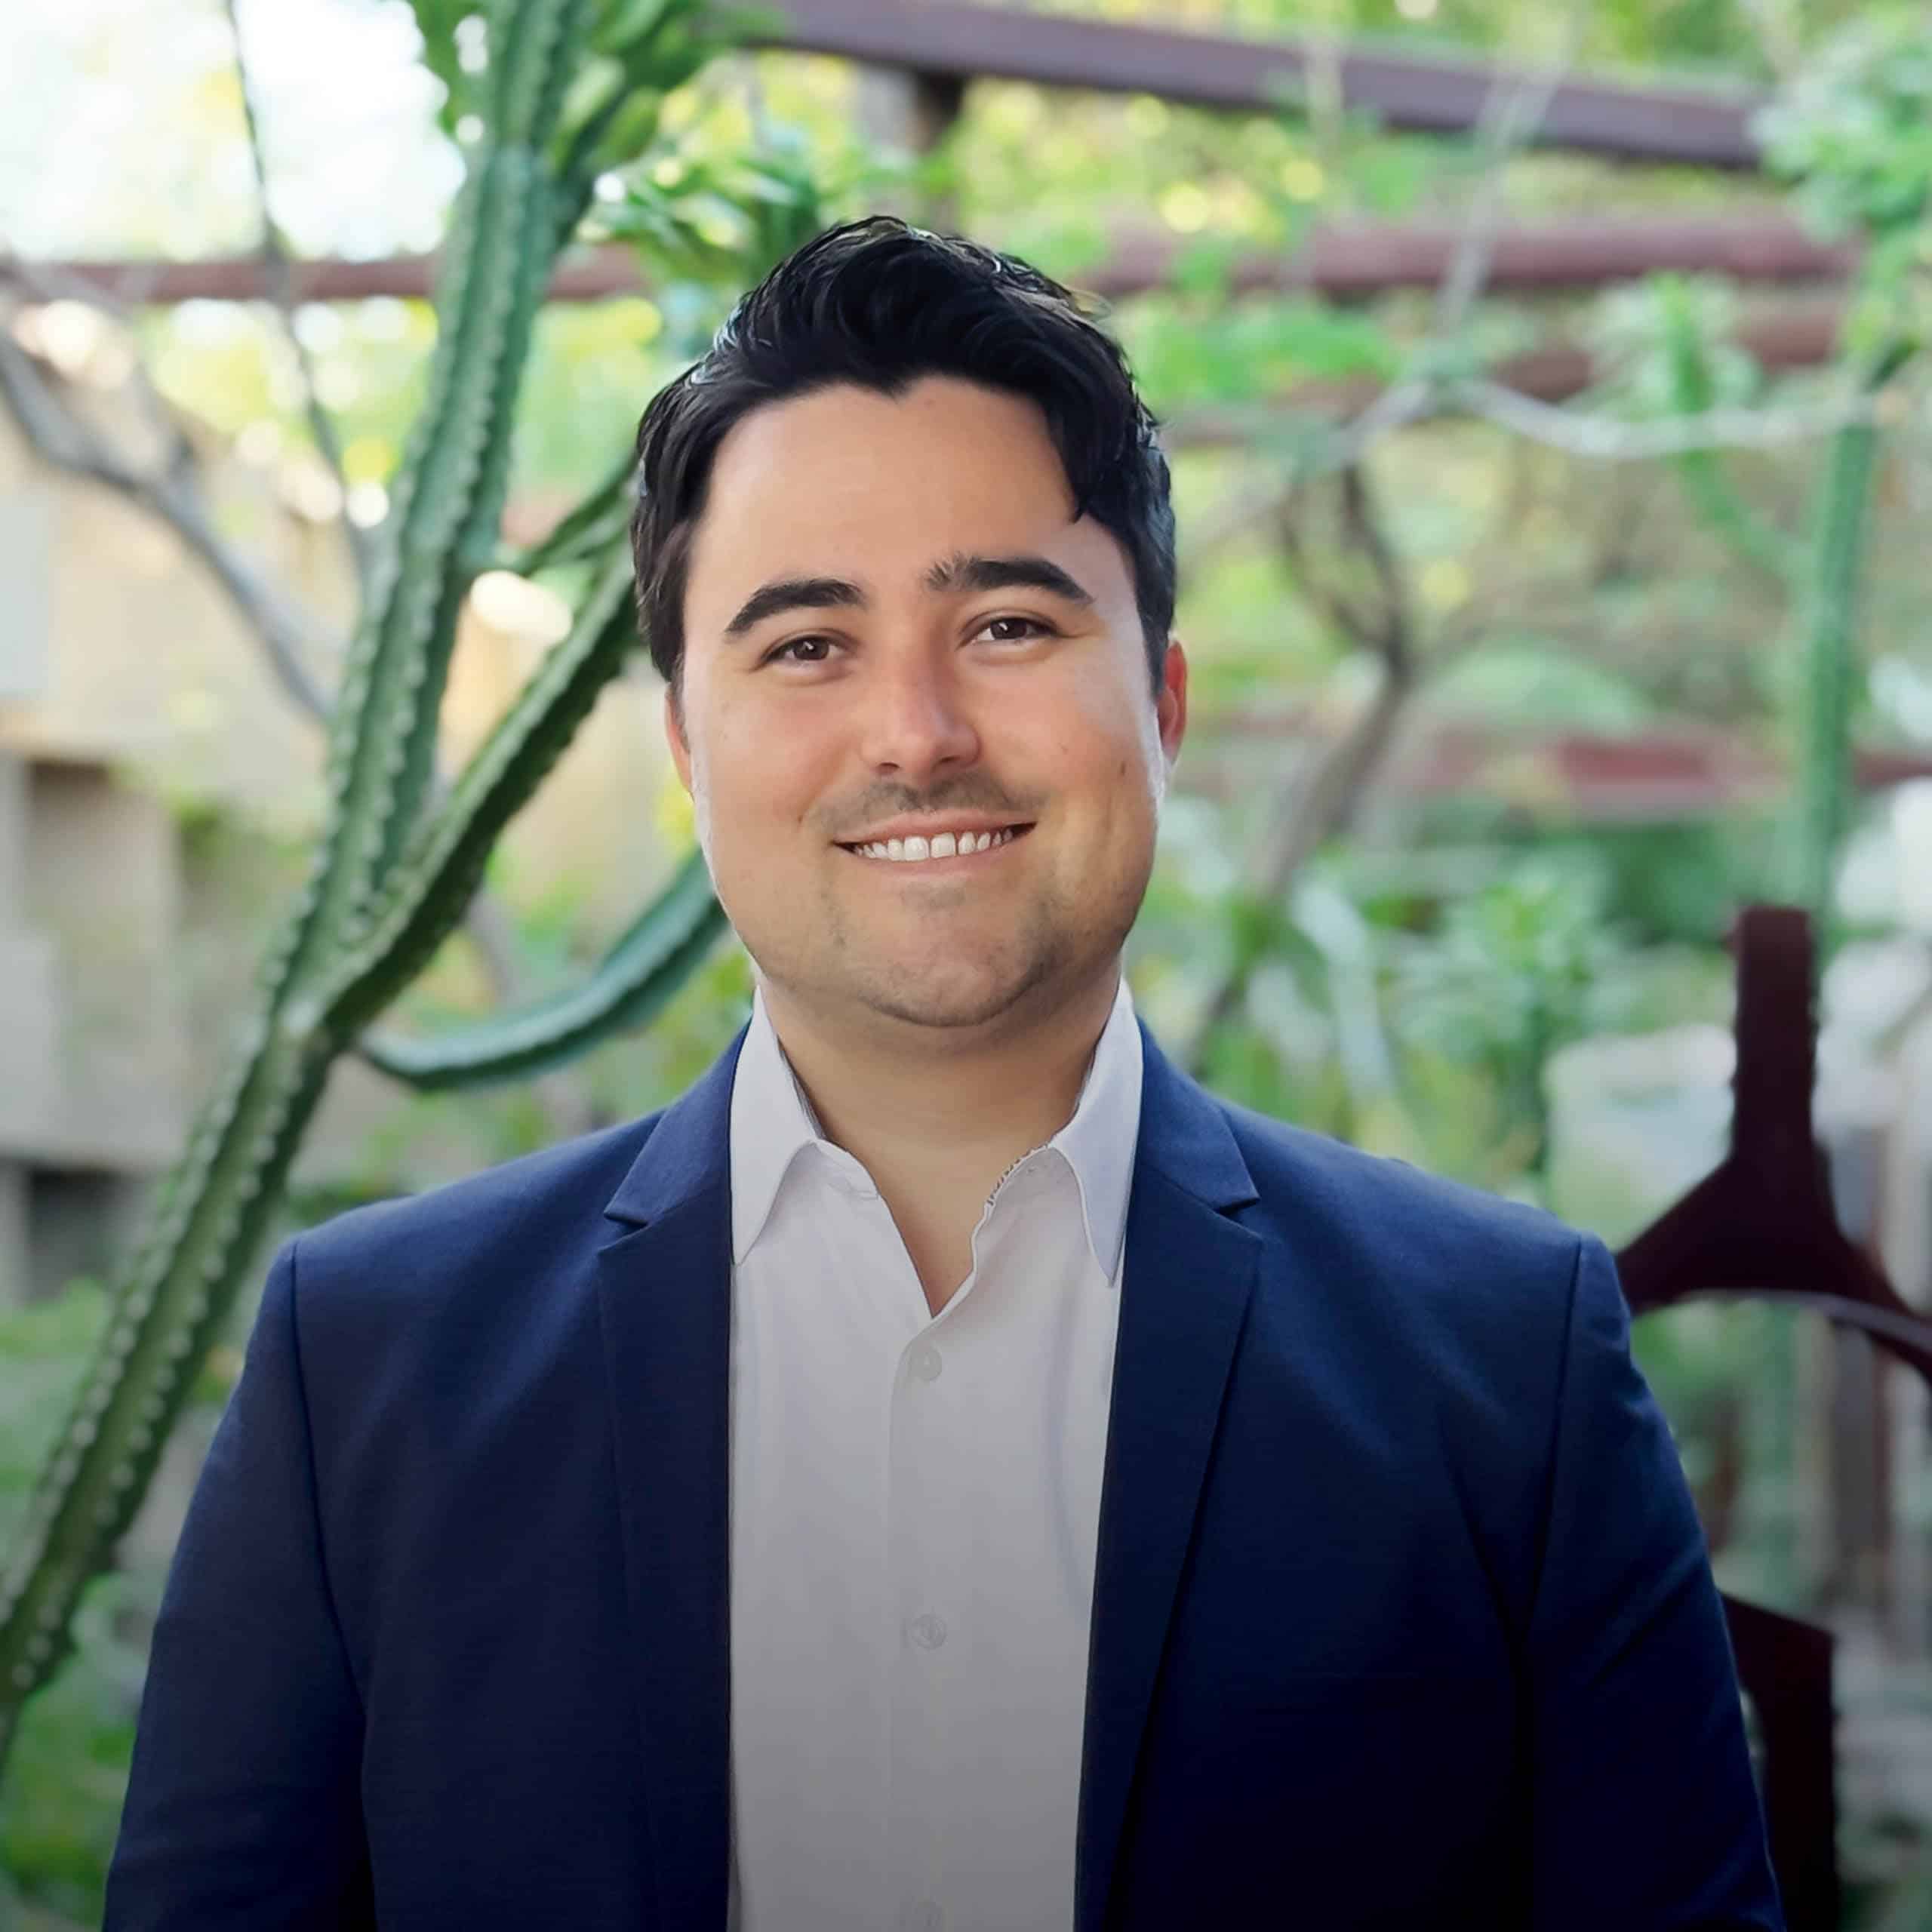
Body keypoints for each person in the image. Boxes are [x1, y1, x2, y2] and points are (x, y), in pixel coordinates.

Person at [104, 216, 1782, 1932]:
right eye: (806, 645)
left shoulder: (1505, 1368)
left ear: (1164, 701)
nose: (914, 730)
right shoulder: (372, 1367)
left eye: (1002, 623)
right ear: (687, 743)